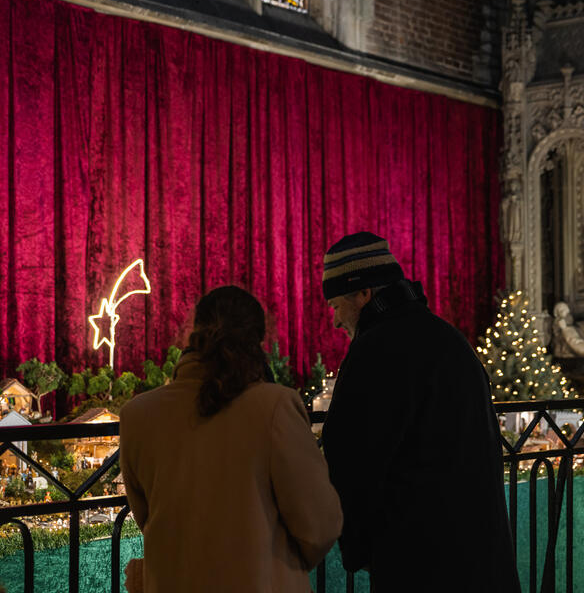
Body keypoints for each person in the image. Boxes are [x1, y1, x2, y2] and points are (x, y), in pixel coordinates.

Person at [319, 232, 520, 592]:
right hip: (481, 556)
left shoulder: (375, 351)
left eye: (336, 306)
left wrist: (357, 546)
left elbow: (351, 458)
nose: (334, 321)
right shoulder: (449, 339)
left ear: (364, 293)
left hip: (420, 561)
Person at [119, 285, 342, 593]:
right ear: (257, 342)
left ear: (193, 332)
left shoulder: (137, 415)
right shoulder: (274, 406)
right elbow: (319, 524)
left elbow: (148, 518)